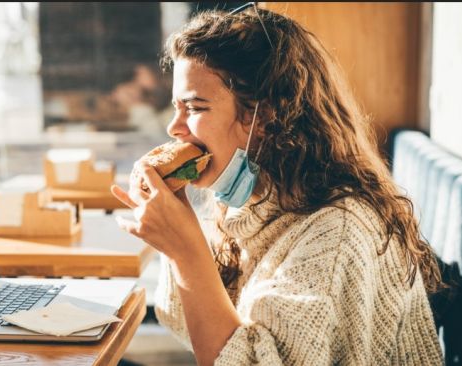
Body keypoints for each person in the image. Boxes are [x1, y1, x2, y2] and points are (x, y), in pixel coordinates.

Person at [110, 5, 443, 365]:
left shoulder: (336, 233)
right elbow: (185, 322)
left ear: (265, 117)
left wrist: (185, 250)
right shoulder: (255, 198)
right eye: (176, 107)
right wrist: (177, 224)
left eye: (194, 107)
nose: (174, 128)